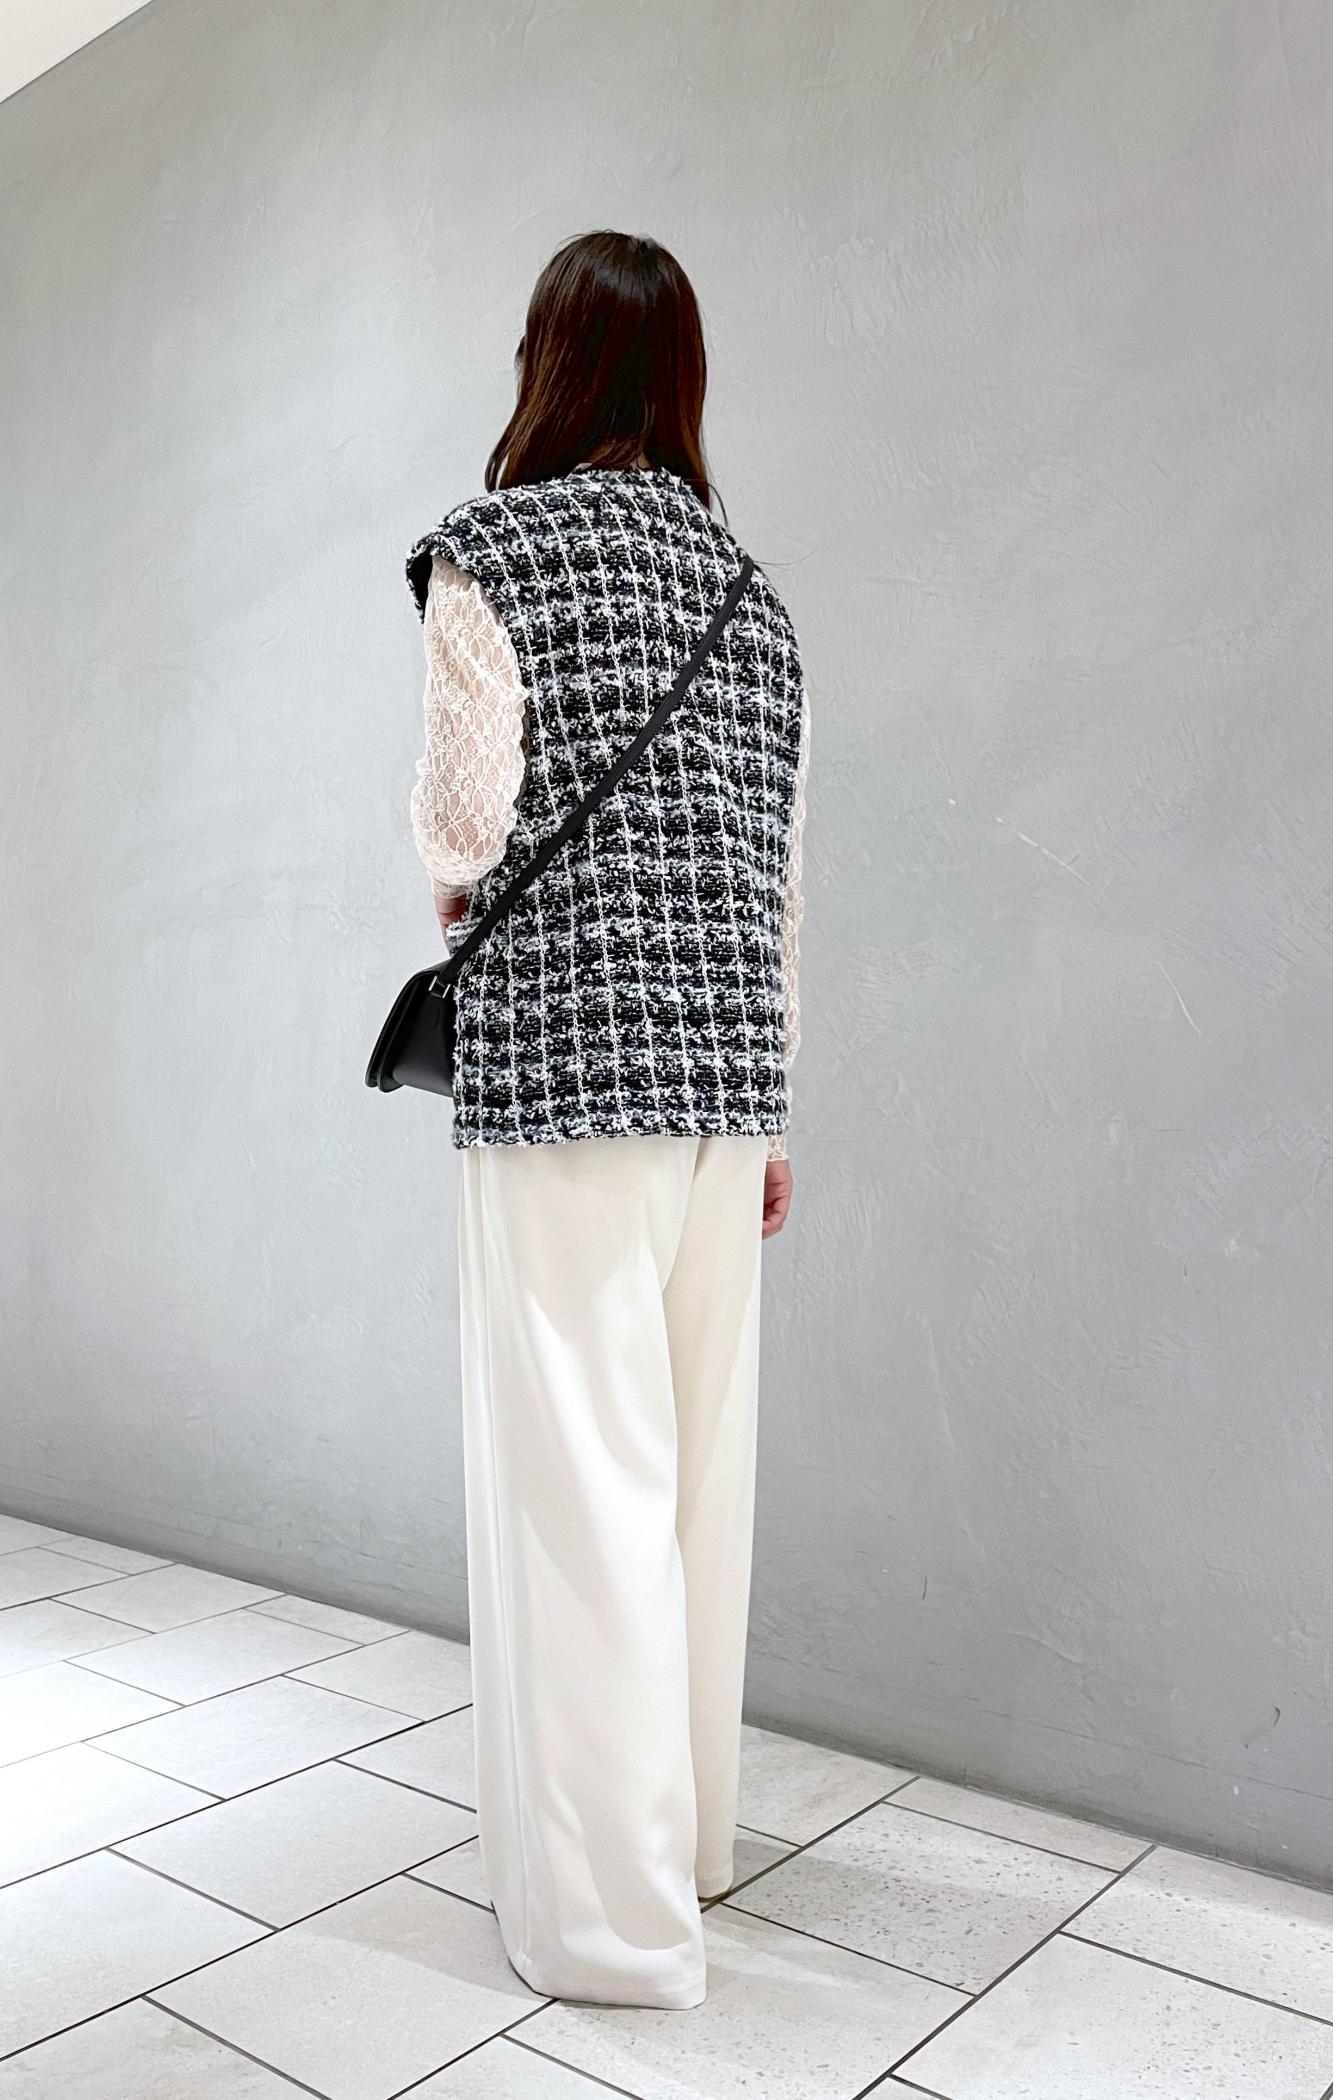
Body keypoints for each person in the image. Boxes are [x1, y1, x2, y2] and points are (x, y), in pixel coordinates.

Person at [405, 229, 808, 2010]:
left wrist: (453, 887)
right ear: (683, 381)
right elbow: (780, 880)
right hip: (726, 1092)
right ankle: (693, 1846)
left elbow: (462, 828)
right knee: (695, 1483)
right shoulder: (756, 598)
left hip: (564, 1078)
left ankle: (610, 1927)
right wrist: (775, 1112)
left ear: (545, 364)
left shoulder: (487, 555)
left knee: (581, 1489)